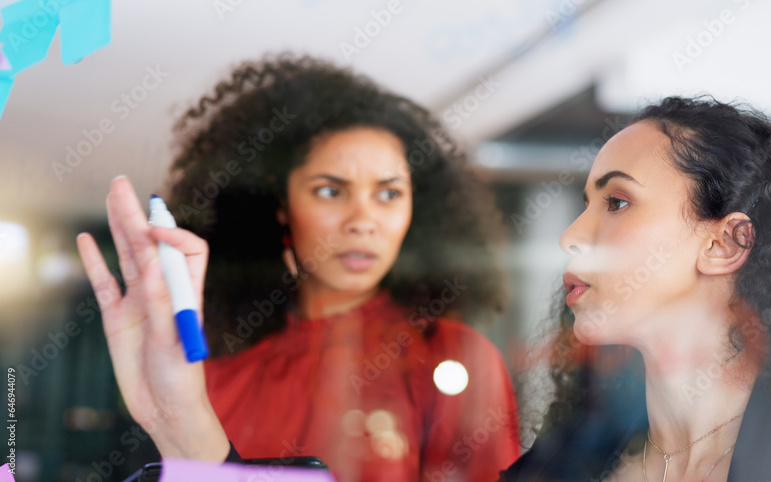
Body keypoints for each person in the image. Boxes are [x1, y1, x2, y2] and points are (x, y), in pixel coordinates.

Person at [75, 54, 520, 481]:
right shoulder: (212, 367)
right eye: (330, 191)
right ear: (281, 205)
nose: (363, 222)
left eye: (388, 194)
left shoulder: (452, 359)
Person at [501, 96, 771, 481]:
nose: (571, 236)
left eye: (617, 202)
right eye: (588, 204)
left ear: (725, 243)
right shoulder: (553, 469)